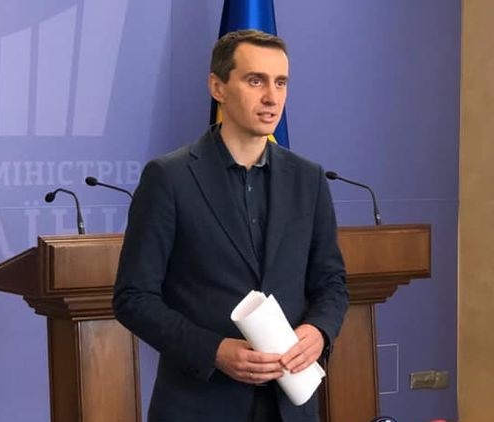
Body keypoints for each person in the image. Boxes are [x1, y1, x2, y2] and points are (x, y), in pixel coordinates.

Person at [113, 29, 349, 422]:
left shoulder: (308, 179)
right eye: (256, 81)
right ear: (217, 87)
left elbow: (331, 282)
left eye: (281, 82)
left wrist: (319, 331)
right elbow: (133, 297)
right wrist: (214, 350)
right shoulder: (169, 178)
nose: (272, 97)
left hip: (290, 405)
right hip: (199, 404)